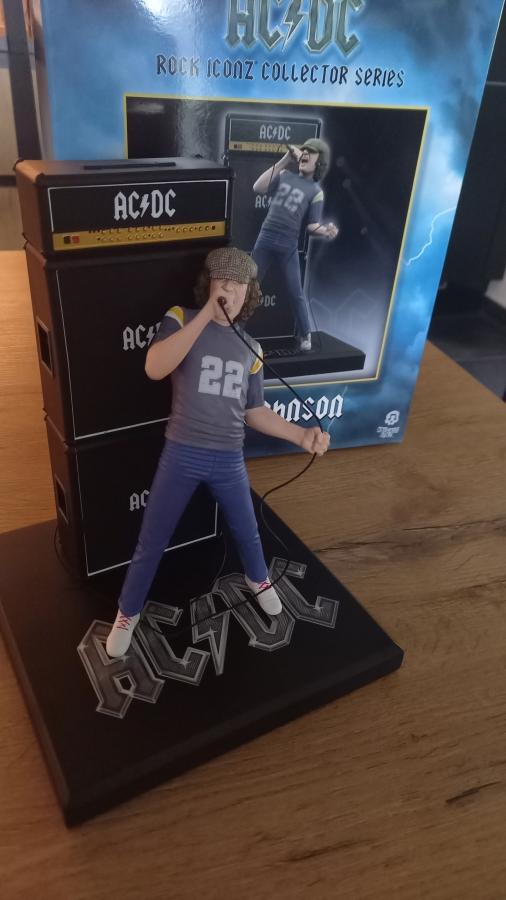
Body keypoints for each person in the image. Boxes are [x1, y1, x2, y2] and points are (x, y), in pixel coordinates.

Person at [106, 247, 330, 657]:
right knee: (152, 538)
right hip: (182, 451)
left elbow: (254, 411)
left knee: (247, 529)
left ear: (250, 293)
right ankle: (128, 610)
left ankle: (257, 578)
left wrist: (300, 436)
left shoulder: (252, 347)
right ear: (207, 284)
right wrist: (206, 315)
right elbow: (155, 367)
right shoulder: (181, 318)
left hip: (228, 456)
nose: (231, 290)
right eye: (223, 281)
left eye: (239, 285)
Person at [252, 138, 339, 351]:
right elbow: (258, 187)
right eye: (304, 150)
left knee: (295, 292)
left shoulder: (316, 191)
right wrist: (285, 159)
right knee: (248, 285)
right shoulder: (284, 175)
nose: (305, 153)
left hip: (288, 244)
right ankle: (234, 327)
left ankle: (305, 334)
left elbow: (312, 226)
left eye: (311, 152)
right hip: (266, 237)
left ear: (320, 162)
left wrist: (325, 231)